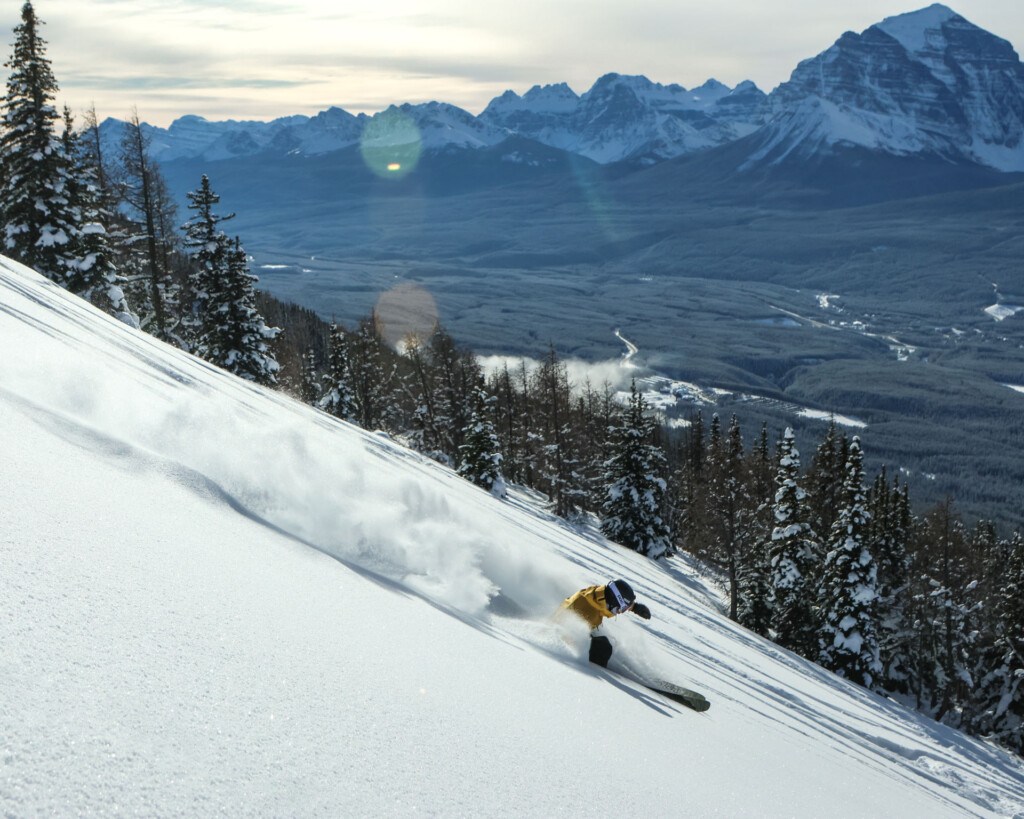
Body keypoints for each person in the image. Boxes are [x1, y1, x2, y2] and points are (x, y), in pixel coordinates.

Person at [559, 579, 651, 667]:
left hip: (585, 626)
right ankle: (597, 670)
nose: (620, 612)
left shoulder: (598, 597)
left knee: (609, 642)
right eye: (622, 608)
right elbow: (565, 635)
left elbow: (616, 596)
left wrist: (635, 607)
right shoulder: (585, 609)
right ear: (614, 601)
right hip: (564, 637)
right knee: (603, 647)